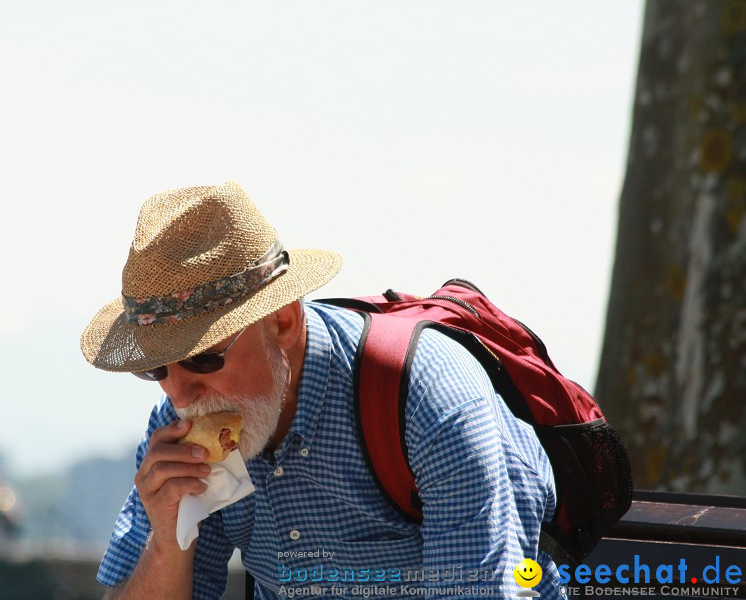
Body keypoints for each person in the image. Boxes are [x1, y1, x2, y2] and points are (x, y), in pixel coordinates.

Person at [80, 181, 561, 599]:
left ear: (282, 321)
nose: (180, 394)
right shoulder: (182, 426)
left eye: (203, 357)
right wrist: (167, 540)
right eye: (156, 370)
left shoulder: (426, 400)